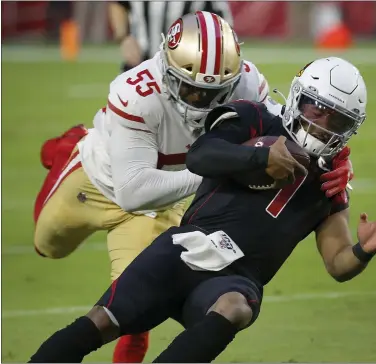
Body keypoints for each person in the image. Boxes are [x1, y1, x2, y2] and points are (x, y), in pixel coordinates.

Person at [29, 57, 376, 363]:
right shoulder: (257, 118)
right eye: (319, 110)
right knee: (101, 322)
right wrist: (259, 156)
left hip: (237, 277)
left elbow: (337, 263)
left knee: (236, 308)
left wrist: (364, 250)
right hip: (185, 247)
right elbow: (200, 155)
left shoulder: (332, 182)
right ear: (300, 98)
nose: (323, 125)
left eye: (339, 121)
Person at [33, 11, 273, 363]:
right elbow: (133, 190)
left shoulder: (248, 83)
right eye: (189, 87)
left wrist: (333, 162)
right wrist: (220, 169)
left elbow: (284, 132)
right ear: (166, 67)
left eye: (212, 92)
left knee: (131, 305)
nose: (199, 101)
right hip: (98, 178)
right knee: (47, 245)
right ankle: (67, 146)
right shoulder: (138, 92)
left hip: (159, 200)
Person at [109, 1, 233, 72]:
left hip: (185, 69)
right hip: (140, 63)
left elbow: (220, 24)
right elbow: (118, 4)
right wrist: (124, 37)